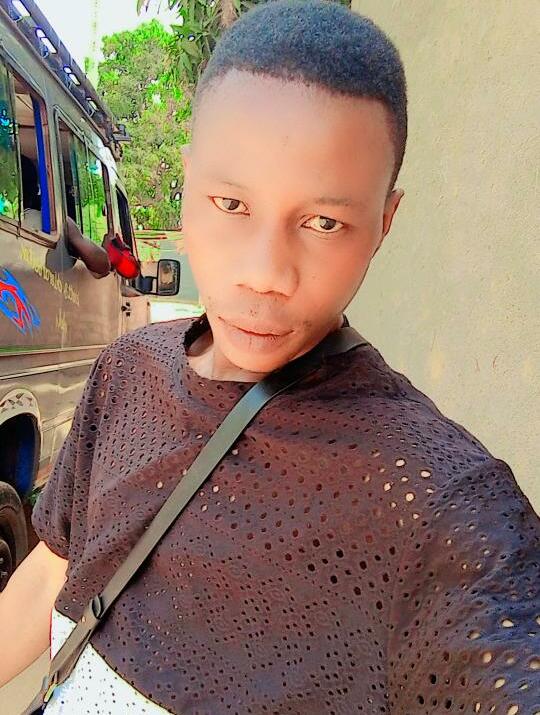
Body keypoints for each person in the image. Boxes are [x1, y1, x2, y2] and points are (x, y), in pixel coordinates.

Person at [0, 2, 538, 713]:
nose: (265, 275)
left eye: (323, 221)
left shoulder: (436, 500)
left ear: (383, 224)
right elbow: (55, 568)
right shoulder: (126, 371)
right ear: (188, 185)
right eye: (230, 203)